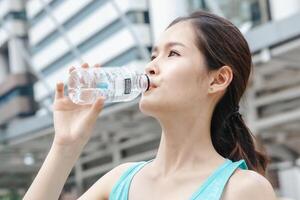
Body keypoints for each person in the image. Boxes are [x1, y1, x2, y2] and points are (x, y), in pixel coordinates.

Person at [23, 11, 277, 200]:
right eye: (153, 55)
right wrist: (65, 146)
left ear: (217, 79)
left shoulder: (242, 189)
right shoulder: (118, 181)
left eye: (173, 54)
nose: (150, 66)